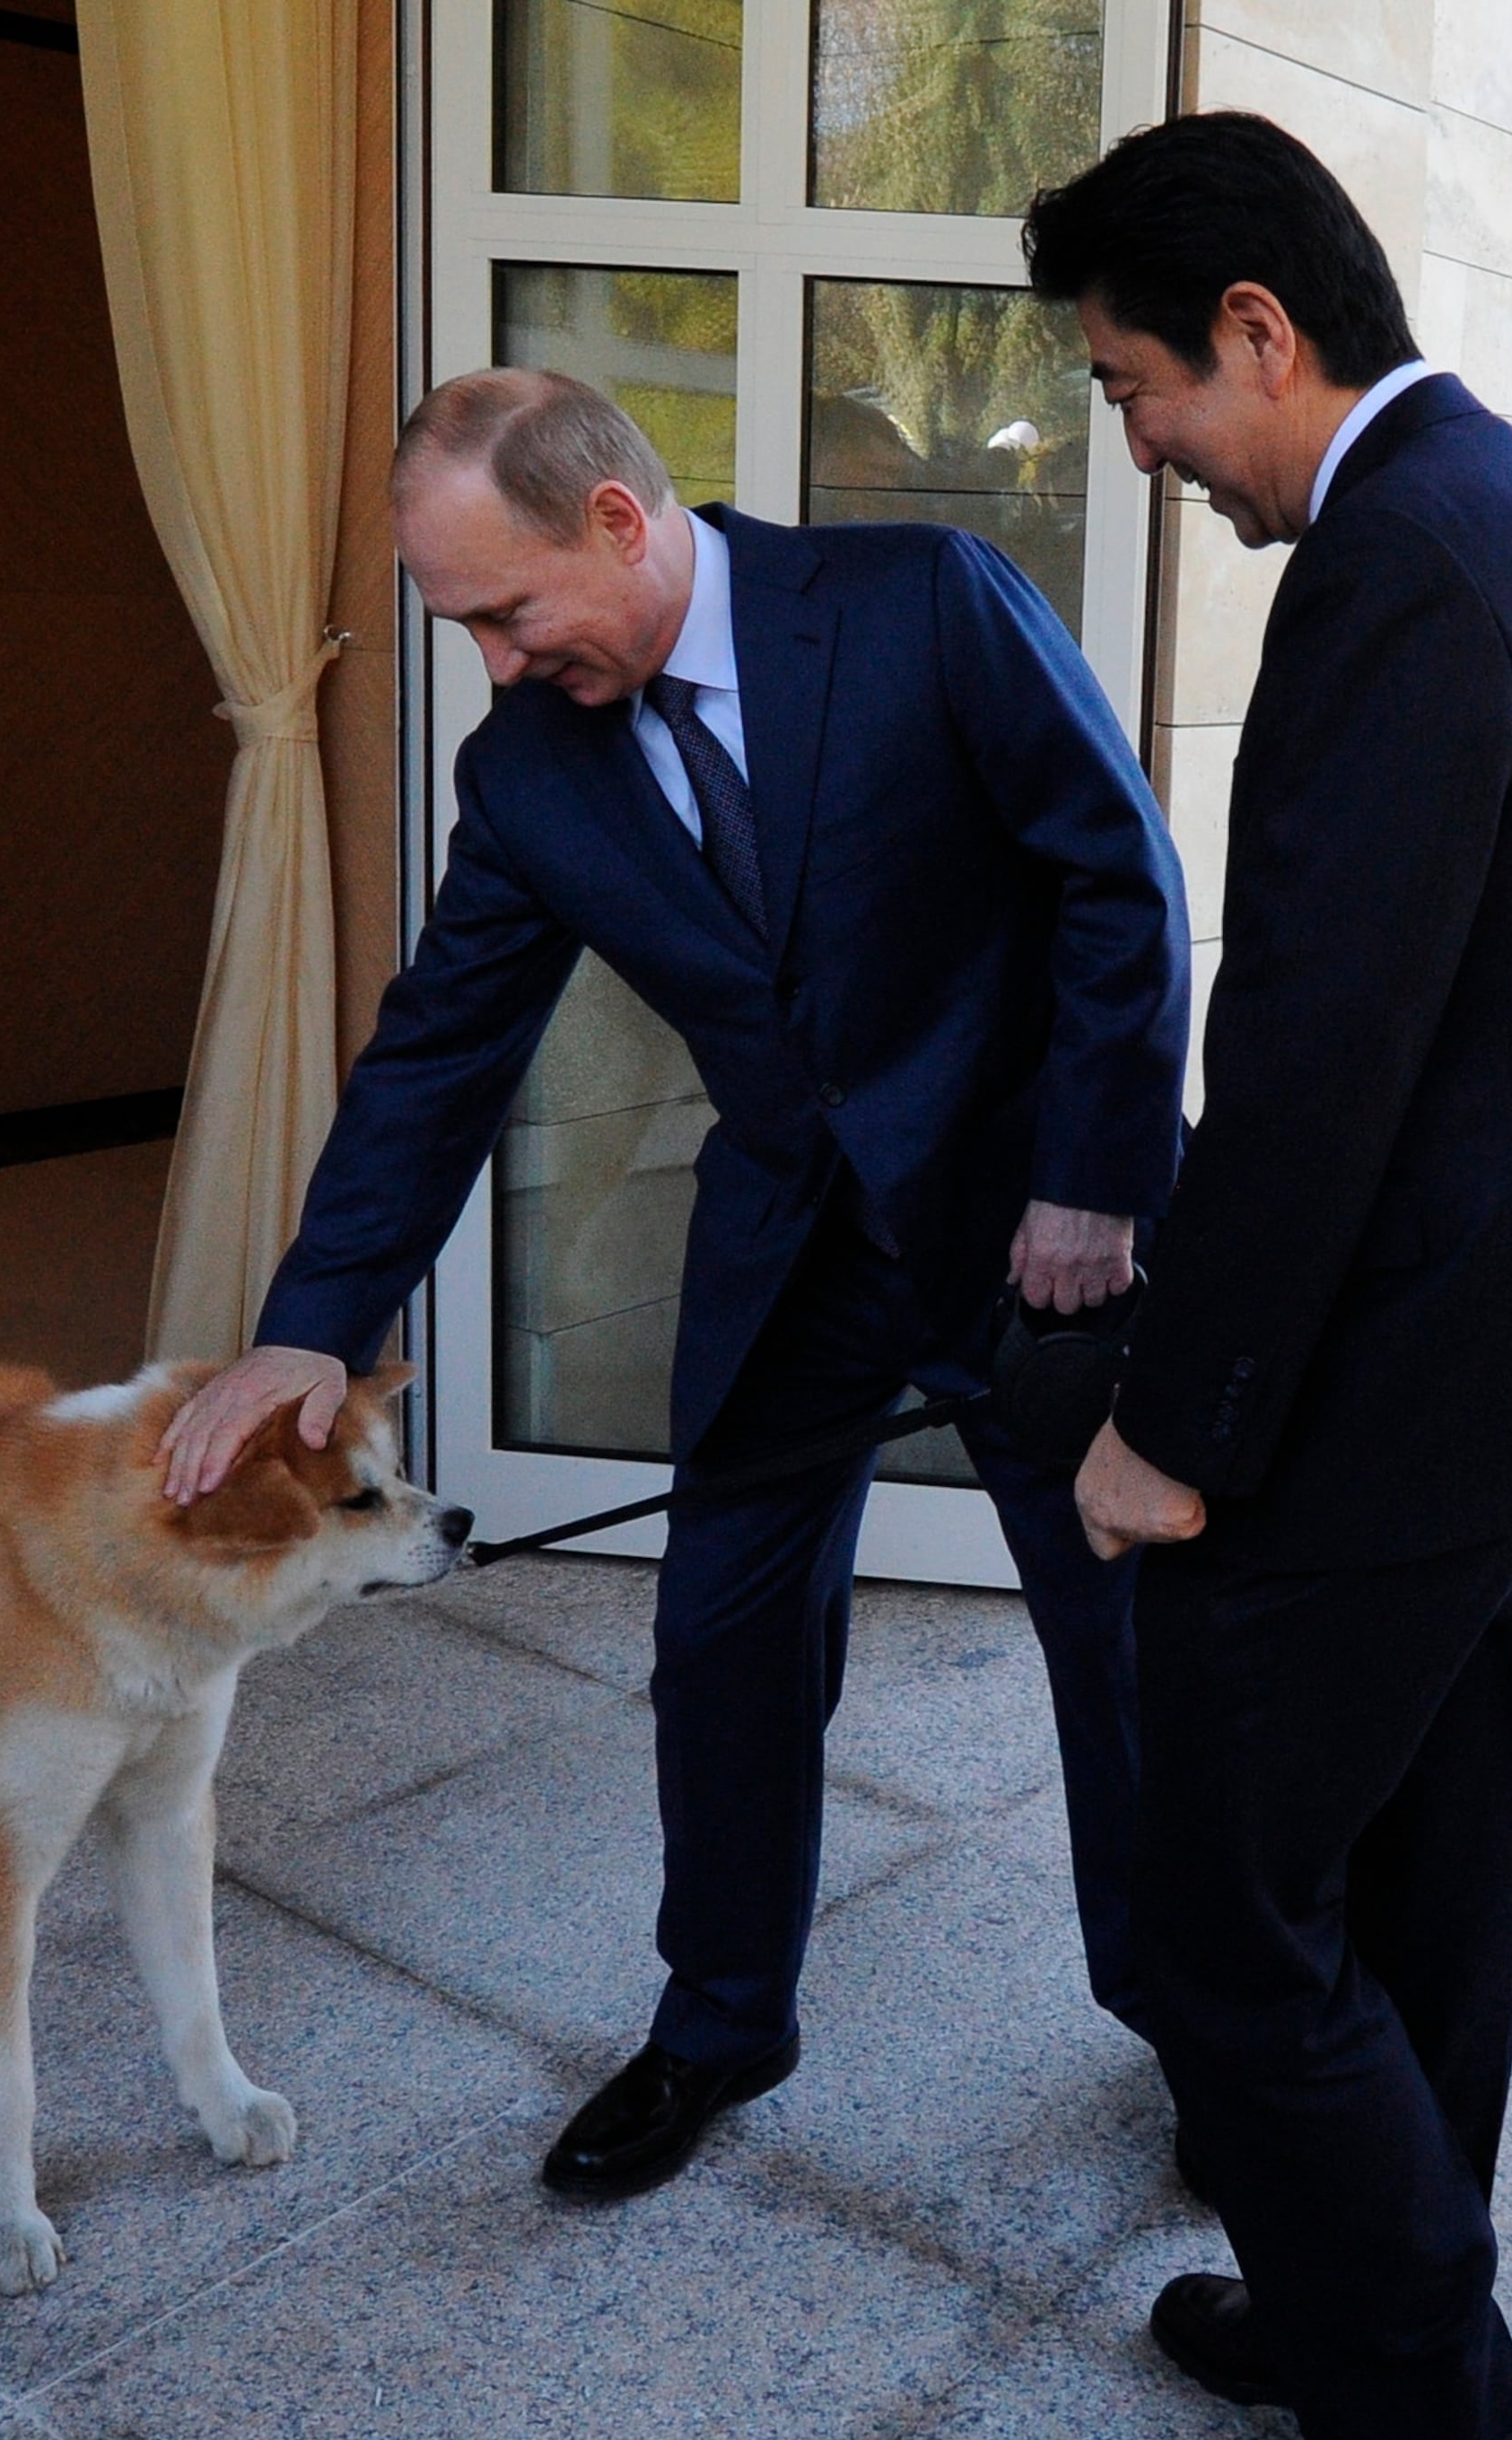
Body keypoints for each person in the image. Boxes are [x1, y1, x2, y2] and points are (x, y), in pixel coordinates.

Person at [158, 371, 1191, 2201]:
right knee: (717, 1639)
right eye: (461, 621)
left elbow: (1114, 874)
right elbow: (440, 1048)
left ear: (618, 523)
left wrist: (1094, 1181)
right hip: (794, 1251)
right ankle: (720, 2020)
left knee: (1126, 1654)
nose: (491, 660)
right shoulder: (531, 770)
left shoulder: (919, 605)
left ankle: (1203, 2028)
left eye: (506, 609)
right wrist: (317, 1314)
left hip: (1035, 1236)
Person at [1025, 114, 1512, 2440]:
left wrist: (1166, 1434)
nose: (1138, 448)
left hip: (1394, 1375)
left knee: (1226, 1913)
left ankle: (1447, 2434)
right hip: (1503, 1358)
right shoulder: (1500, 503)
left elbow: (1321, 1062)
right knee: (1419, 1884)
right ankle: (1365, 2303)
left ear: (1254, 330)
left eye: (1135, 391)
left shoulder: (1407, 565)